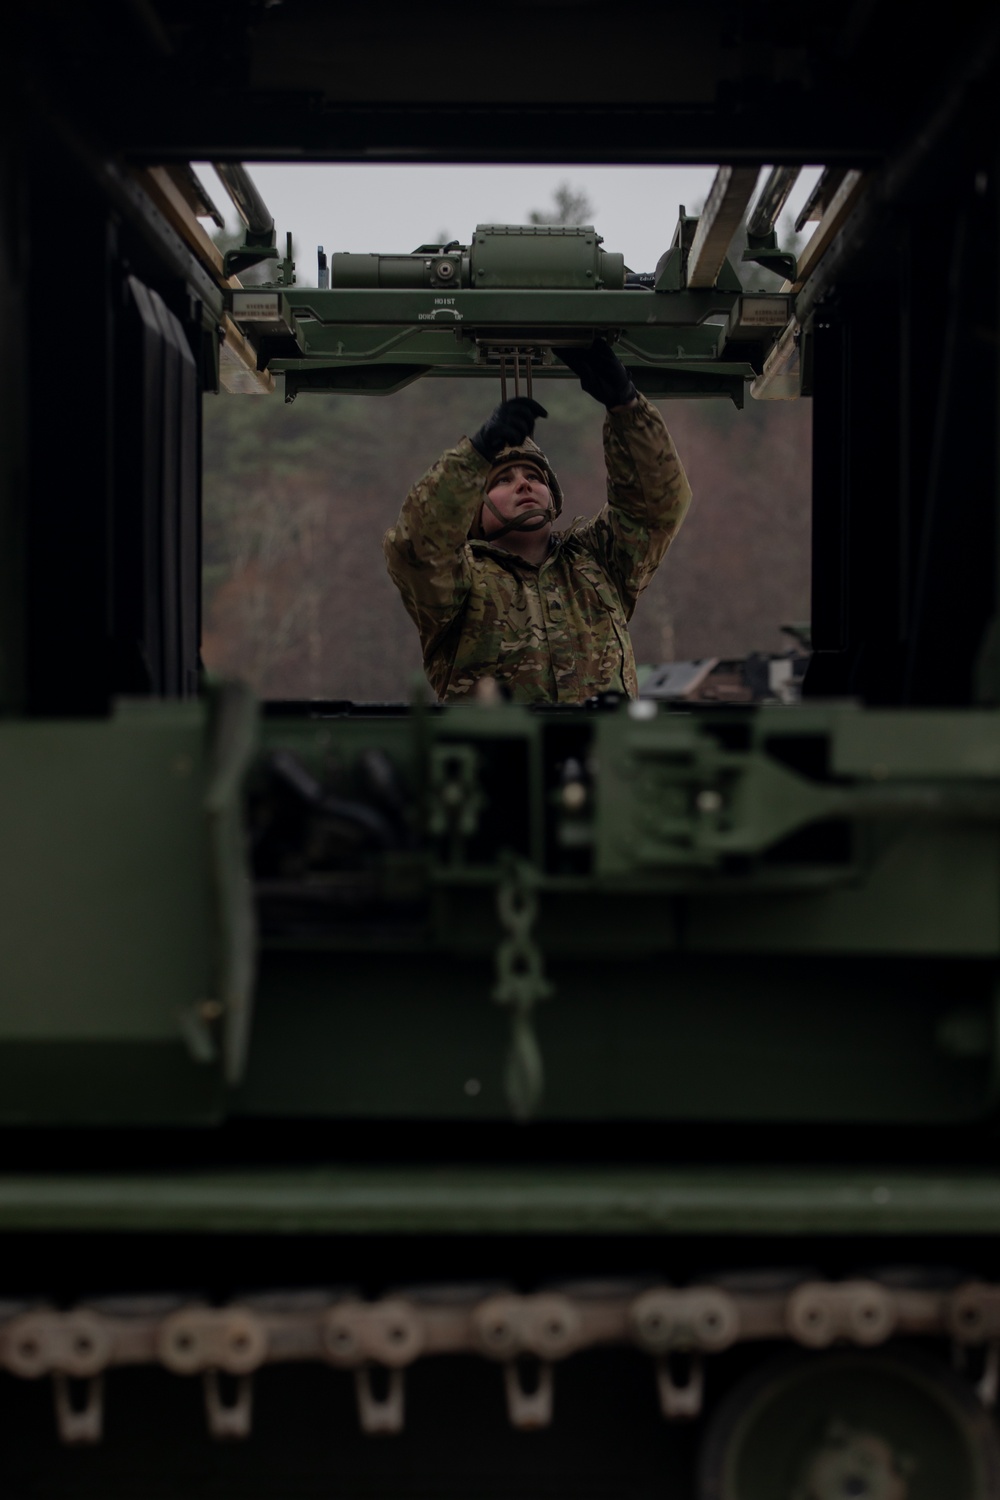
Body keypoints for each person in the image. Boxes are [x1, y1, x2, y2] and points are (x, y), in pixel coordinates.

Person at [383, 339, 692, 703]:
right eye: (502, 480)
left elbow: (656, 507)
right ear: (472, 513)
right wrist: (477, 453)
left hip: (603, 755)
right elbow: (417, 545)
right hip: (498, 758)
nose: (523, 484)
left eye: (534, 476)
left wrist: (627, 407)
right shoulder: (460, 582)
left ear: (553, 497)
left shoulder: (598, 563)